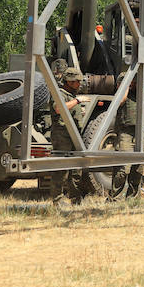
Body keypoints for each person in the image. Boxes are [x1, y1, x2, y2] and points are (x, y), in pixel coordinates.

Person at [49, 67, 87, 205]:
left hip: (75, 135)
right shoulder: (60, 93)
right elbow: (59, 108)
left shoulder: (71, 95)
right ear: (69, 81)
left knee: (76, 169)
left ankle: (76, 199)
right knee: (60, 169)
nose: (79, 84)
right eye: (77, 81)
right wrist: (77, 101)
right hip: (62, 135)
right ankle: (57, 200)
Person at [113, 72, 144, 198]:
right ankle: (115, 198)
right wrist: (125, 86)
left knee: (138, 168)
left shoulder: (141, 95)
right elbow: (120, 102)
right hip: (125, 132)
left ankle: (133, 198)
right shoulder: (122, 95)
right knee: (122, 168)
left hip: (141, 133)